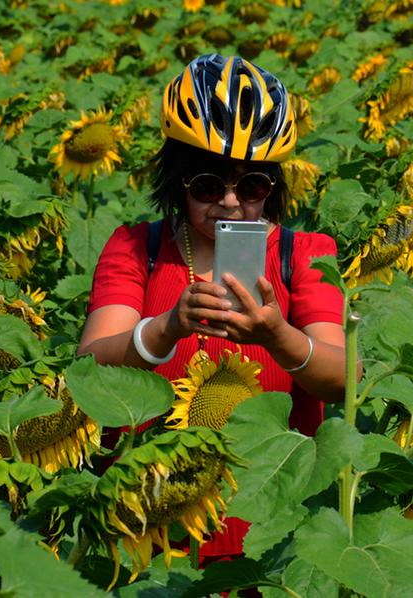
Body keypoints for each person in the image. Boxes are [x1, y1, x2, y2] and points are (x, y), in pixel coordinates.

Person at [78, 53, 351, 558]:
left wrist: (278, 337)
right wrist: (165, 328)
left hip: (267, 532)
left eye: (250, 186)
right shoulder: (137, 248)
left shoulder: (305, 254)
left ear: (273, 187)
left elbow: (340, 379)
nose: (229, 203)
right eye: (206, 186)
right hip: (145, 516)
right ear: (177, 182)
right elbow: (87, 369)